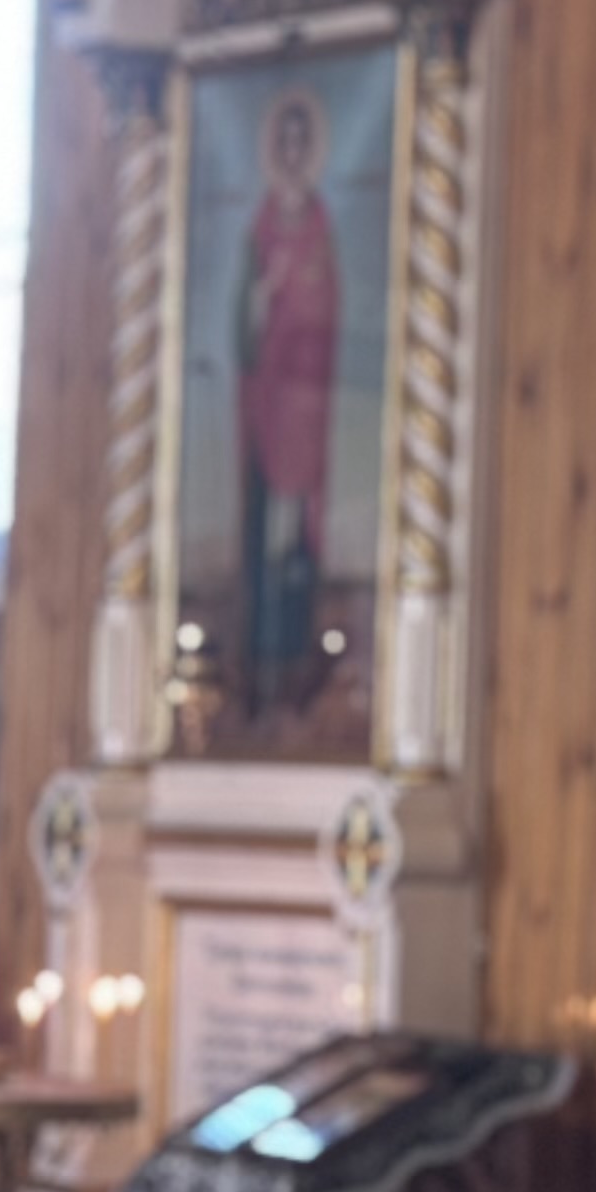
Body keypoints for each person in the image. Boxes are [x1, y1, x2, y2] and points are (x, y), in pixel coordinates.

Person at [237, 87, 345, 720]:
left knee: (297, 536)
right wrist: (264, 295)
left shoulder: (321, 225)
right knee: (265, 532)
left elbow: (330, 305)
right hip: (267, 404)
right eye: (288, 142)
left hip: (308, 404)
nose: (296, 152)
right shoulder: (260, 228)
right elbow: (243, 318)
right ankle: (260, 662)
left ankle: (297, 655)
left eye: (305, 142)